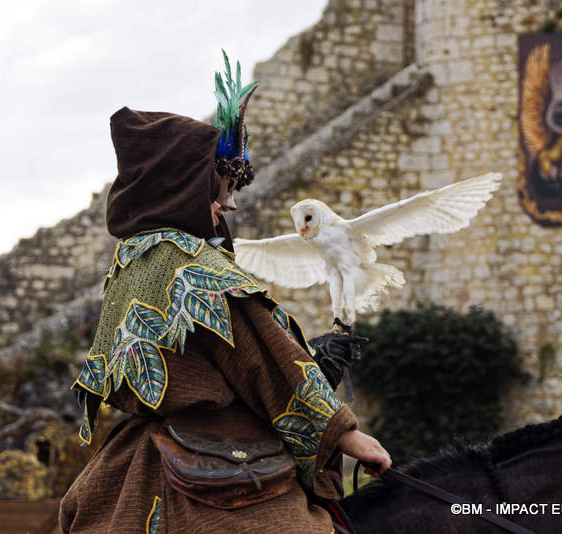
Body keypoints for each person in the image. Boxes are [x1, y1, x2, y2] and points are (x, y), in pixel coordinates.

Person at [59, 57, 390, 534]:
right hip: (213, 465)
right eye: (224, 187)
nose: (230, 203)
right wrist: (347, 433)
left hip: (137, 457)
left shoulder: (131, 259)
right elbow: (256, 356)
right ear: (183, 186)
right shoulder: (193, 264)